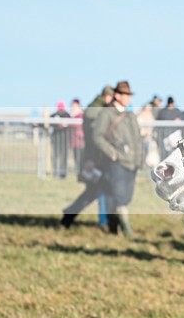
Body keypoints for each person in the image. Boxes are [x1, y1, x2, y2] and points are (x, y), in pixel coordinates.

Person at [92, 81, 143, 237]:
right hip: (116, 163)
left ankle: (114, 229)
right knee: (120, 197)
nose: (128, 98)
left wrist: (139, 159)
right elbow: (97, 137)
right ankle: (127, 231)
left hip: (132, 163)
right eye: (125, 95)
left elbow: (137, 139)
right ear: (117, 95)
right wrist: (112, 153)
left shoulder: (130, 115)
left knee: (125, 197)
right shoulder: (106, 114)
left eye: (129, 95)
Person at [61, 85, 114, 229]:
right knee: (101, 189)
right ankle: (104, 222)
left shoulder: (96, 108)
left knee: (92, 192)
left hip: (95, 156)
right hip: (94, 157)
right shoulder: (95, 111)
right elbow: (93, 138)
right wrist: (90, 159)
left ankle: (70, 213)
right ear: (107, 96)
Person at [51, 101, 71, 179]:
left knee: (64, 156)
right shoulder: (54, 115)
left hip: (64, 138)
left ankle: (63, 173)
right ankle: (56, 172)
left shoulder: (67, 115)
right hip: (56, 138)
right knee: (56, 156)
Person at [69, 99, 85, 174]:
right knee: (76, 156)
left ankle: (80, 171)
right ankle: (78, 171)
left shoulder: (80, 114)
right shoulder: (72, 115)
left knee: (80, 156)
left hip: (80, 139)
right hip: (74, 140)